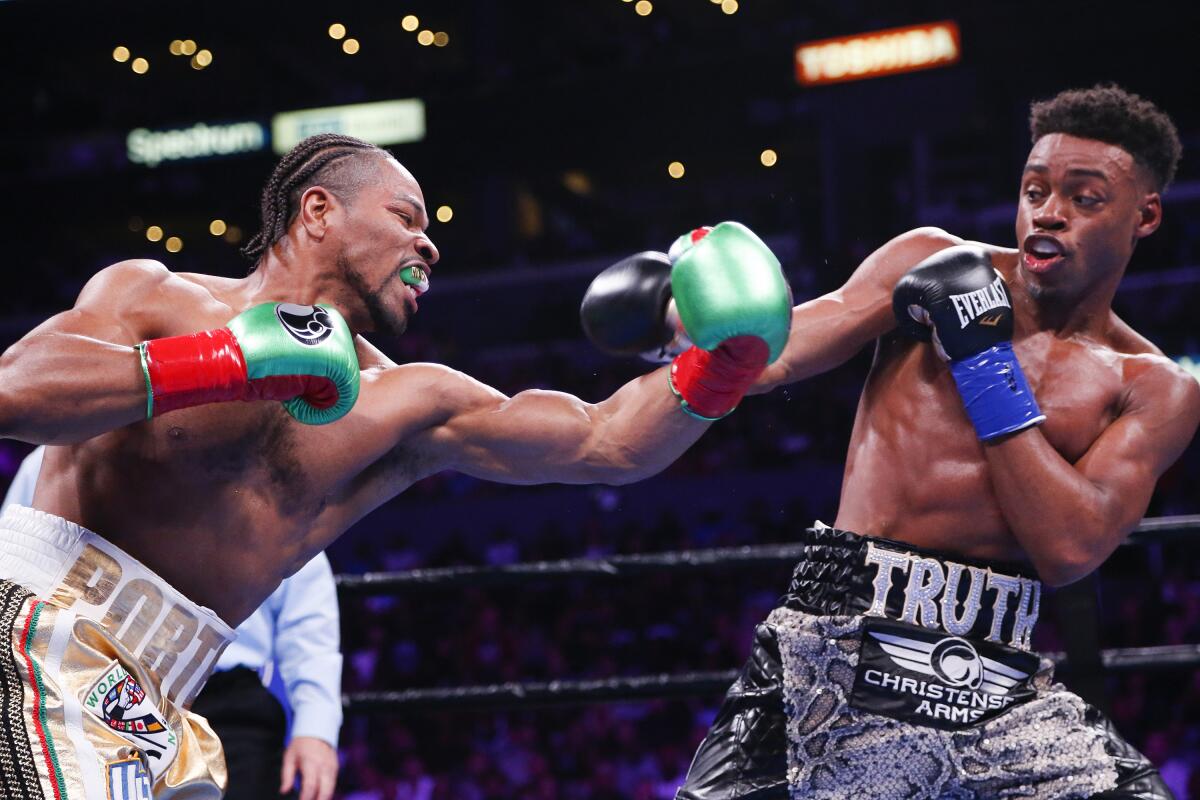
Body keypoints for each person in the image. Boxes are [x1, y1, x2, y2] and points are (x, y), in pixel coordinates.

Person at [0, 132, 793, 798]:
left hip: (159, 697)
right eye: (406, 217)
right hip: (43, 633)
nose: (430, 243)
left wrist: (718, 365)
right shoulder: (157, 297)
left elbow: (605, 441)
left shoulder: (408, 401)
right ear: (319, 211)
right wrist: (226, 362)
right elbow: (13, 394)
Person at [670, 85, 1199, 798]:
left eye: (1083, 198)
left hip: (997, 677)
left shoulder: (1154, 387)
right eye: (1035, 190)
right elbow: (780, 354)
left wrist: (985, 365)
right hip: (842, 642)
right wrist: (685, 321)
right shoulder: (927, 260)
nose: (1048, 212)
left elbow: (1070, 549)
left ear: (1145, 214)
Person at [1, 447, 343, 800]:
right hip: (87, 683)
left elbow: (308, 621)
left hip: (229, 705)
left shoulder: (263, 471)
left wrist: (316, 730)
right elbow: (11, 580)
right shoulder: (58, 456)